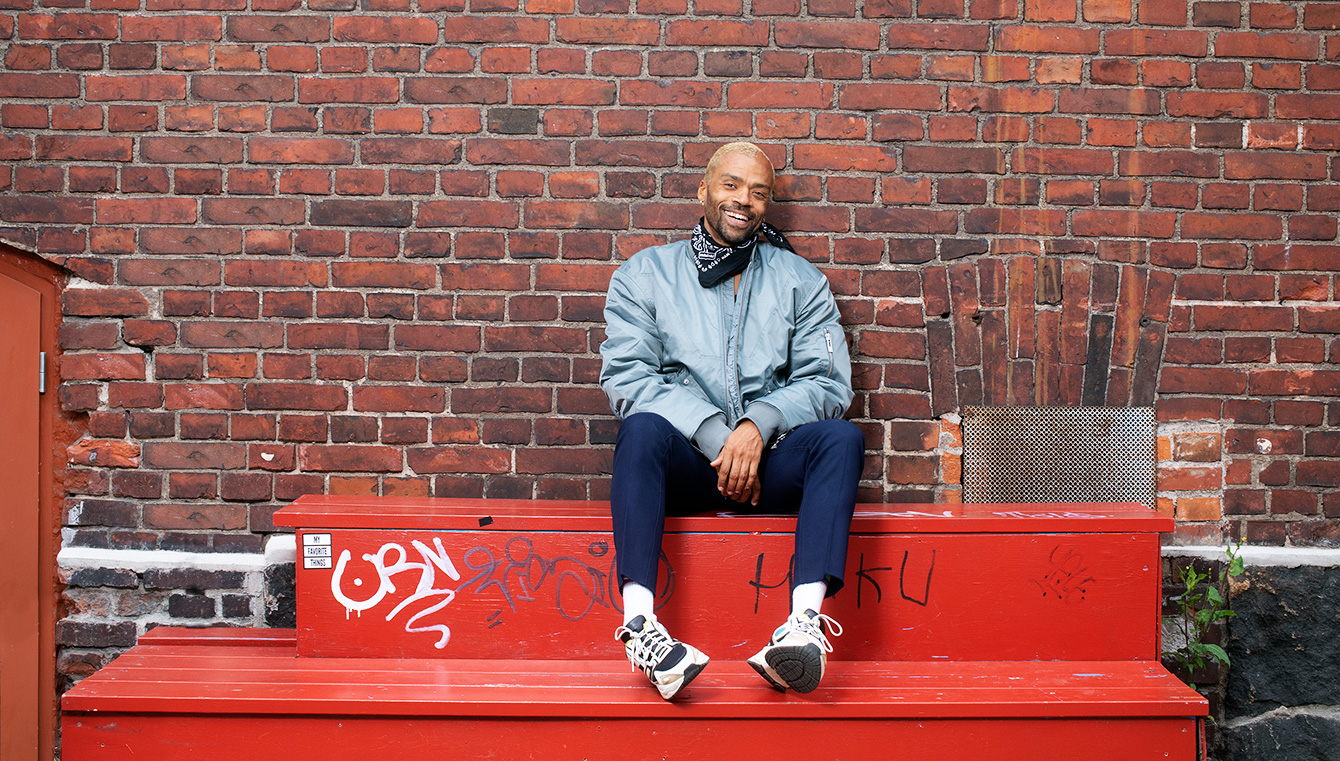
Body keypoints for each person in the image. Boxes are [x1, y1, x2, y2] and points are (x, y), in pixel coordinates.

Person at [599, 142, 864, 700]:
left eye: (759, 192)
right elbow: (627, 378)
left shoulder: (800, 281)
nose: (744, 200)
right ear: (704, 191)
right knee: (641, 429)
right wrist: (715, 434)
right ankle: (643, 628)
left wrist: (758, 425)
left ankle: (802, 630)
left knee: (841, 438)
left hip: (773, 461)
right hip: (687, 464)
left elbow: (829, 383)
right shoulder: (645, 275)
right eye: (731, 186)